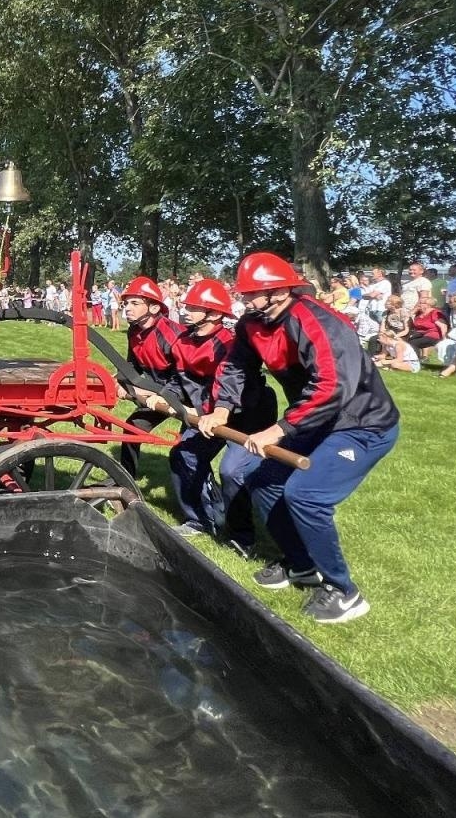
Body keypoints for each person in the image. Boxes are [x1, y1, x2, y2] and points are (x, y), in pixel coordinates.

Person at [198, 252, 400, 625]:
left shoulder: (318, 321)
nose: (243, 299)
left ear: (277, 292)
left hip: (362, 424)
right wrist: (222, 408)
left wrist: (278, 430)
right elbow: (235, 366)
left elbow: (332, 386)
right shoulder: (252, 324)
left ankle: (344, 592)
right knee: (261, 481)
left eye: (250, 293)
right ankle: (301, 564)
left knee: (306, 495)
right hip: (315, 423)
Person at [158, 277, 276, 551]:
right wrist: (164, 396)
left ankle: (242, 538)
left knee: (232, 470)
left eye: (193, 307)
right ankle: (201, 519)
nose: (186, 310)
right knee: (183, 455)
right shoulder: (183, 341)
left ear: (213, 314)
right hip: (210, 414)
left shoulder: (228, 343)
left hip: (248, 414)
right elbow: (181, 380)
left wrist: (205, 410)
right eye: (187, 305)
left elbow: (232, 386)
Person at [118, 275, 184, 479]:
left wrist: (162, 394)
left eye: (135, 303)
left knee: (187, 452)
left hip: (189, 393)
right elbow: (132, 365)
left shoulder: (171, 335)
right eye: (126, 303)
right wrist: (120, 380)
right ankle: (125, 479)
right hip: (159, 391)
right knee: (132, 428)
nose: (128, 308)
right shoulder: (134, 331)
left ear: (154, 308)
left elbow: (185, 376)